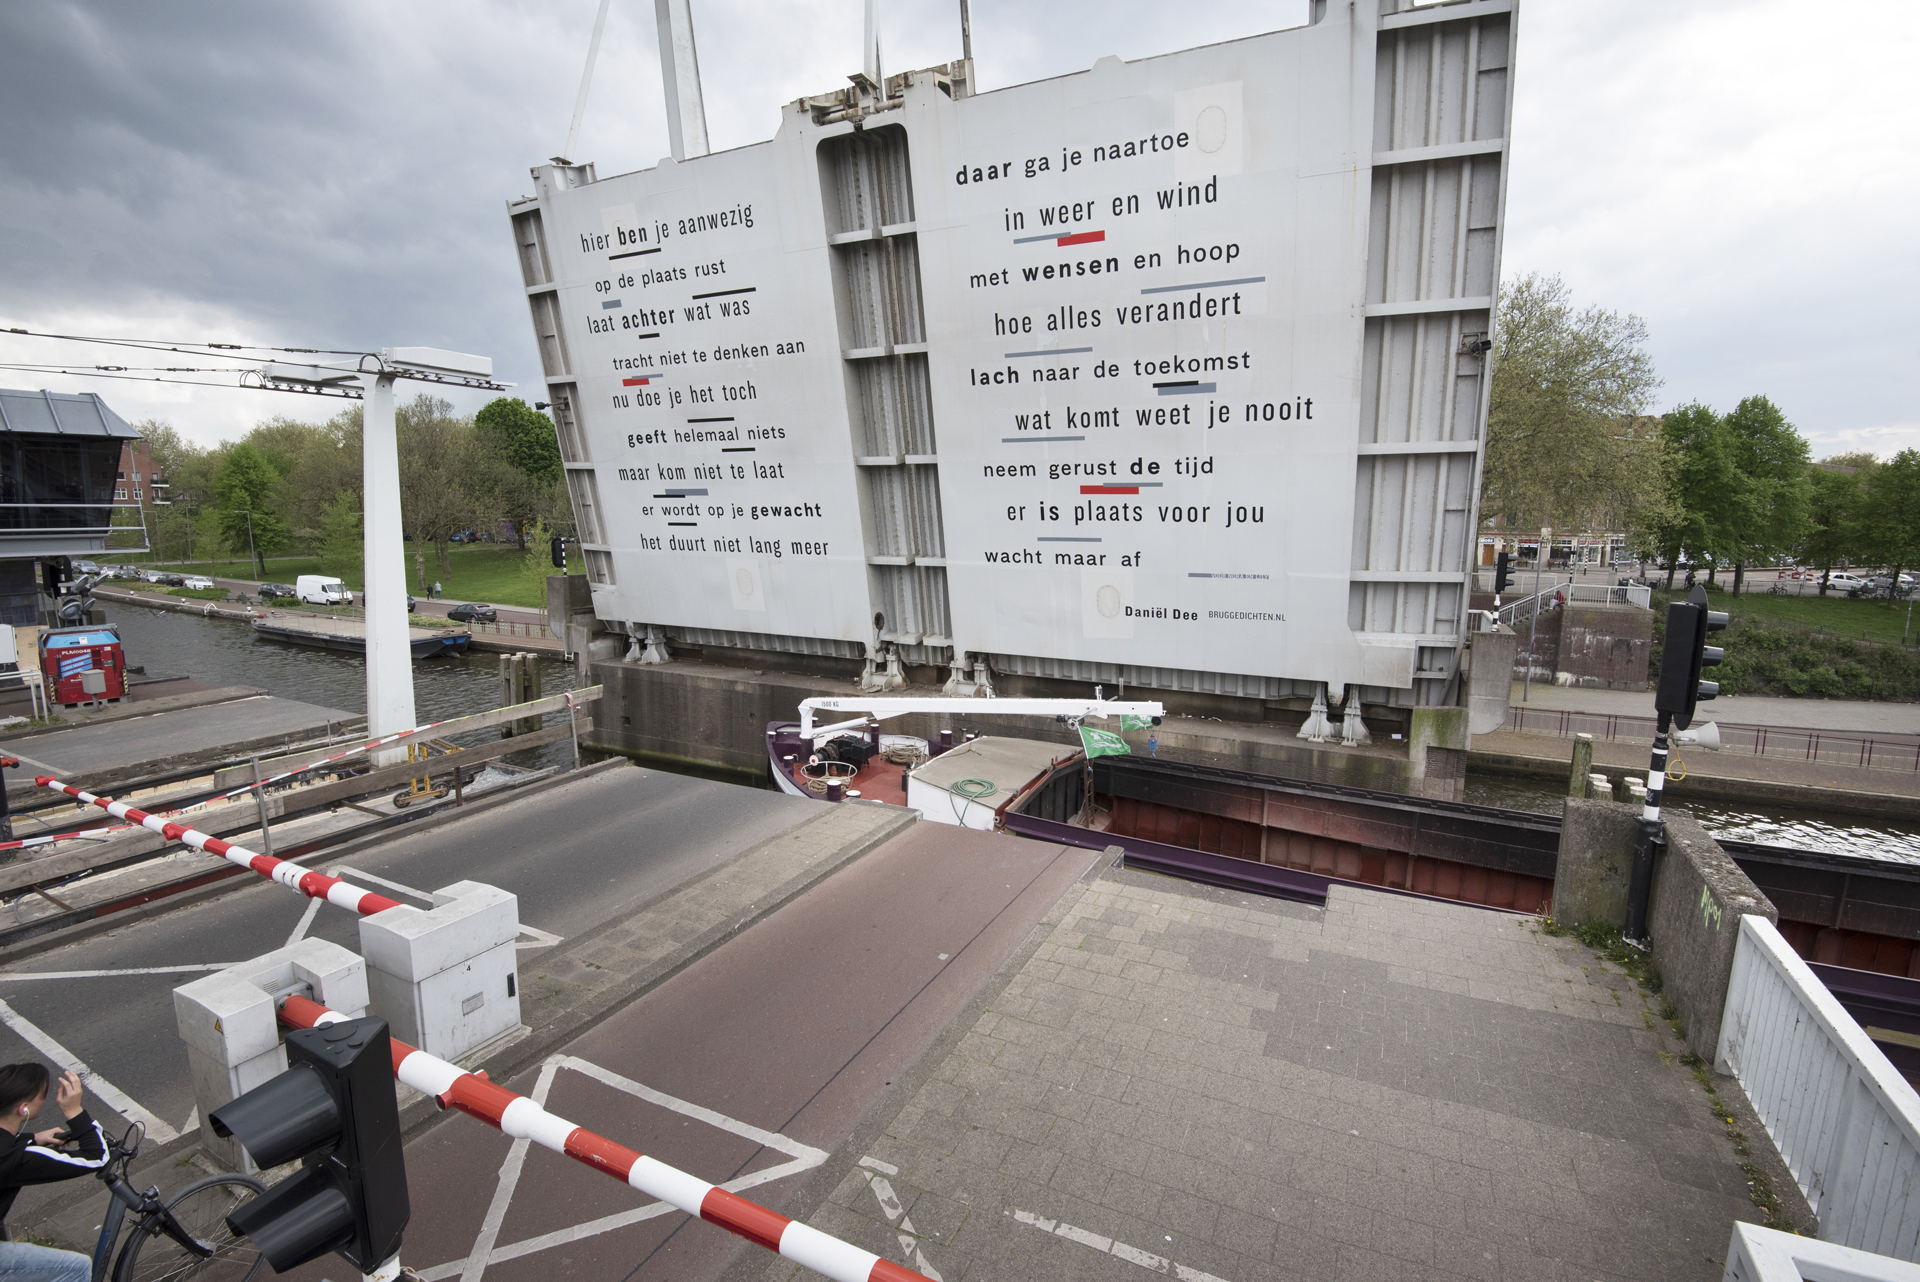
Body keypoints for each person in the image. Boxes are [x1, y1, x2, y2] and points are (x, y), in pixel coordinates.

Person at [0, 1065, 106, 1281]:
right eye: (42, 1096)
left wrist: (32, 1138)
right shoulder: (16, 1159)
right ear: (24, 1109)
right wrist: (74, 1111)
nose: (44, 1100)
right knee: (76, 1267)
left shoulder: (12, 1151)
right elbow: (97, 1157)